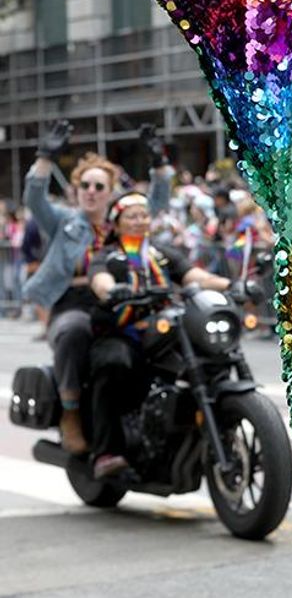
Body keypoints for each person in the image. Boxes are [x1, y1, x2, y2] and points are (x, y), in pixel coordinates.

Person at [22, 121, 171, 455]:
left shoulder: (123, 222)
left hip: (122, 305)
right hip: (72, 305)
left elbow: (158, 202)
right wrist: (45, 157)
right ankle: (71, 415)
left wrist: (160, 163)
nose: (91, 191)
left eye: (99, 186)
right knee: (74, 330)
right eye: (84, 185)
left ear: (111, 191)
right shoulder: (63, 221)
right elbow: (34, 197)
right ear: (76, 191)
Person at [87, 192, 241, 478]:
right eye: (131, 216)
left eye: (143, 215)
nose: (139, 221)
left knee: (208, 353)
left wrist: (232, 284)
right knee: (113, 363)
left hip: (163, 327)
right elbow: (100, 278)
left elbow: (195, 275)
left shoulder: (161, 252)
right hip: (122, 331)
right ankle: (107, 451)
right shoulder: (107, 255)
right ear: (117, 223)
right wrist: (111, 290)